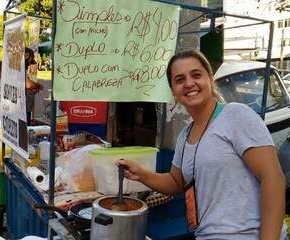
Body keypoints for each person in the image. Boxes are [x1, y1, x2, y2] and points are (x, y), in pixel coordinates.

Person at [116, 50, 288, 239]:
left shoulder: (236, 115)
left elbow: (272, 178)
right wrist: (141, 173)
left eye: (196, 75)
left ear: (210, 79)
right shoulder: (184, 135)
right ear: (173, 91)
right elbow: (176, 182)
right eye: (180, 79)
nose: (189, 83)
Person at [25, 47, 43, 125]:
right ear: (26, 56)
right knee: (26, 124)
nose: (30, 63)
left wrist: (33, 89)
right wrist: (38, 85)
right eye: (30, 59)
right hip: (22, 106)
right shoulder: (21, 67)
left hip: (20, 104)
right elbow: (27, 84)